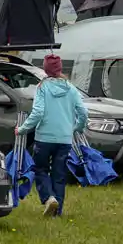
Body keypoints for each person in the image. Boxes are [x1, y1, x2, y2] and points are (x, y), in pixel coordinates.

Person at [18, 52, 86, 216]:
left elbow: (38, 113)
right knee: (59, 174)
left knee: (40, 169)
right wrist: (76, 127)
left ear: (45, 69)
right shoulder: (71, 88)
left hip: (44, 138)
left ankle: (49, 198)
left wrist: (22, 129)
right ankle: (57, 212)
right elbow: (83, 112)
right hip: (64, 139)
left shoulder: (42, 87)